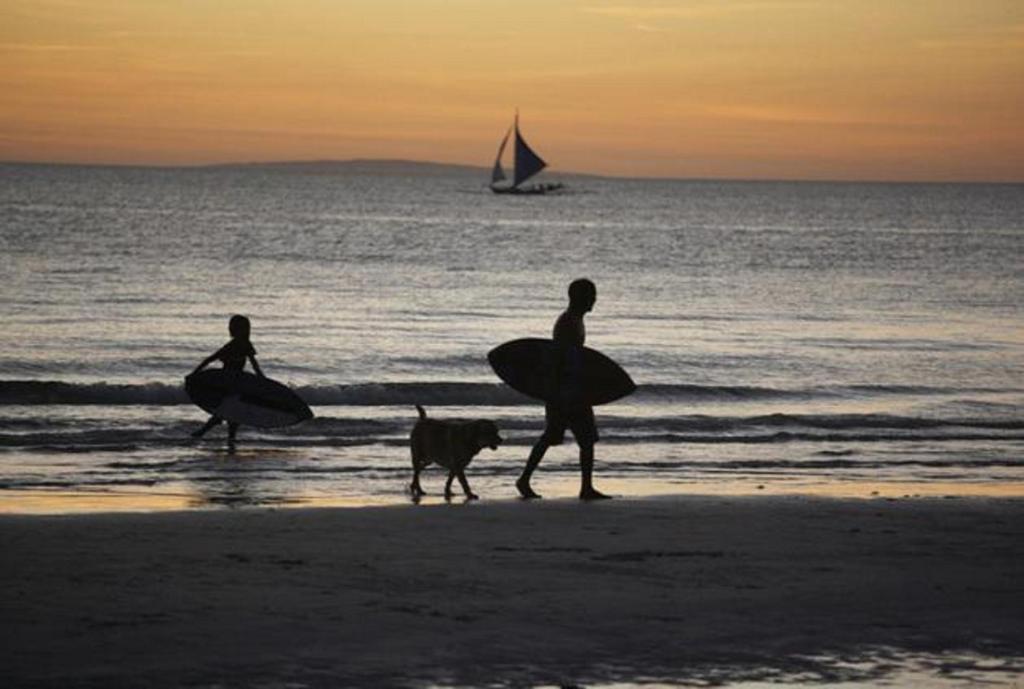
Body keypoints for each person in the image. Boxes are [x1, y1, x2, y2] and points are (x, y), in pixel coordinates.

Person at [517, 278, 611, 501]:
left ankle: (526, 479)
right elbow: (560, 360)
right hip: (567, 391)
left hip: (565, 390)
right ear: (580, 297)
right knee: (581, 439)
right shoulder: (568, 322)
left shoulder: (574, 319)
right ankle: (584, 488)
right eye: (591, 295)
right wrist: (563, 394)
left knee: (555, 436)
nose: (595, 299)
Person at [189, 314, 263, 442]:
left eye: (233, 327)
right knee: (229, 411)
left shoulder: (242, 344)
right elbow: (211, 359)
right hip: (229, 384)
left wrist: (261, 379)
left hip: (232, 383)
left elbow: (209, 359)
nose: (230, 329)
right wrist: (195, 374)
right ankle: (214, 434)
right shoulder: (237, 345)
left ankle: (209, 433)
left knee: (229, 411)